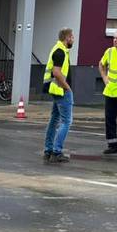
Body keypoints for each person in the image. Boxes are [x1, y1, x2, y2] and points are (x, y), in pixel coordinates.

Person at [42, 28, 76, 164]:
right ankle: (57, 151)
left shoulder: (58, 49)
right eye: (72, 37)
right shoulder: (60, 51)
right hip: (61, 91)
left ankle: (48, 150)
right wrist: (67, 87)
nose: (73, 39)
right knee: (66, 121)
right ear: (67, 38)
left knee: (54, 119)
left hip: (55, 90)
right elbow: (56, 72)